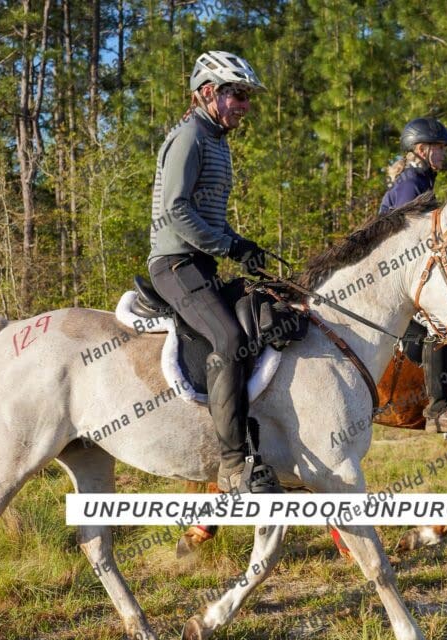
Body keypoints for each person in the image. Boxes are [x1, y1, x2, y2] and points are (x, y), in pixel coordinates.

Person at [146, 50, 277, 493]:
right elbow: (176, 211)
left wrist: (242, 245)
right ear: (208, 93)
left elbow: (211, 219)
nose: (245, 104)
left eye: (246, 96)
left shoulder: (216, 141)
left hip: (200, 261)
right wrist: (228, 245)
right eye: (237, 94)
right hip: (175, 263)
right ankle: (233, 464)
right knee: (229, 339)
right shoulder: (189, 137)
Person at [381, 117, 447, 434]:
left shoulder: (422, 181)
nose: (444, 154)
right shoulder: (411, 186)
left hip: (407, 275)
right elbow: (413, 246)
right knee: (437, 328)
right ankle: (437, 409)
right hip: (394, 279)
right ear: (422, 150)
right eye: (439, 148)